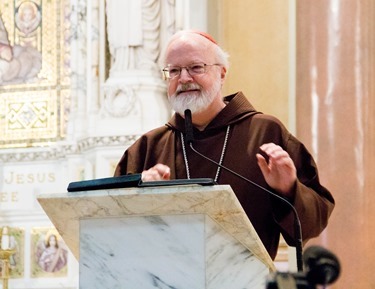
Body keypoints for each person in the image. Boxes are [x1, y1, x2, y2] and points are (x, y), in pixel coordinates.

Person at [114, 30, 335, 260]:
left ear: (222, 74)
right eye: (174, 71)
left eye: (196, 67)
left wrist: (289, 190)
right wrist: (139, 198)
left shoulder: (265, 133)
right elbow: (112, 231)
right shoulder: (149, 147)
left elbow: (313, 224)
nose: (184, 79)